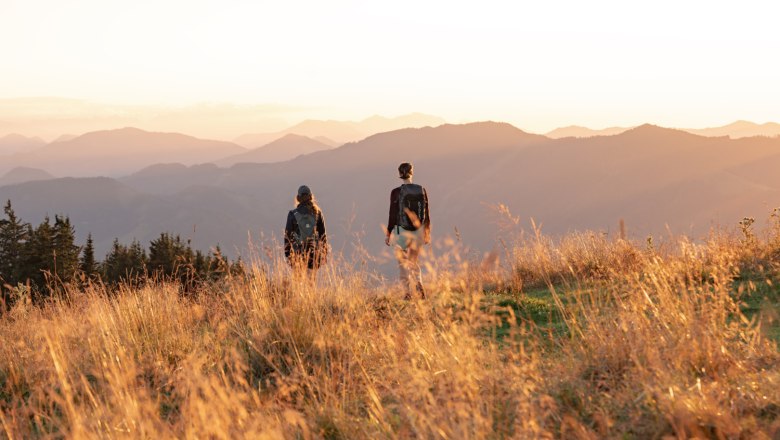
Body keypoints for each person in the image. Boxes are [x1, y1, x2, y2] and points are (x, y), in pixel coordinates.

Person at [385, 162, 430, 299]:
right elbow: (427, 213)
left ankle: (407, 293)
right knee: (414, 262)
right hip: (418, 231)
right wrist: (426, 232)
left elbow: (392, 214)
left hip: (401, 231)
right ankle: (418, 284)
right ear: (412, 172)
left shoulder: (396, 192)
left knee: (403, 264)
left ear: (399, 174)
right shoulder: (421, 190)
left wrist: (388, 233)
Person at [285, 185, 328, 279]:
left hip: (297, 255)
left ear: (298, 198)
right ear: (311, 197)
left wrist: (288, 256)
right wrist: (324, 254)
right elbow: (323, 236)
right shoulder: (317, 213)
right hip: (313, 256)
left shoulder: (292, 214)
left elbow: (287, 237)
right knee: (310, 287)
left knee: (299, 286)